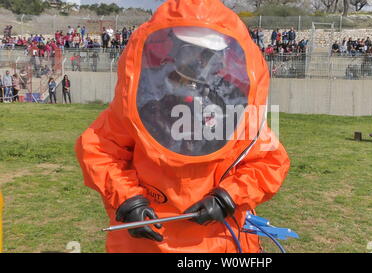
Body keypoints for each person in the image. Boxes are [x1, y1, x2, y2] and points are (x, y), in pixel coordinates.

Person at [75, 0, 290, 253]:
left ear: (223, 57)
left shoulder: (237, 106)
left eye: (208, 54)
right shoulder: (140, 100)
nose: (199, 63)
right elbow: (99, 149)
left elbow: (268, 162)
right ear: (173, 49)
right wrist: (128, 199)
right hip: (147, 237)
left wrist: (228, 197)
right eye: (191, 51)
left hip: (219, 238)